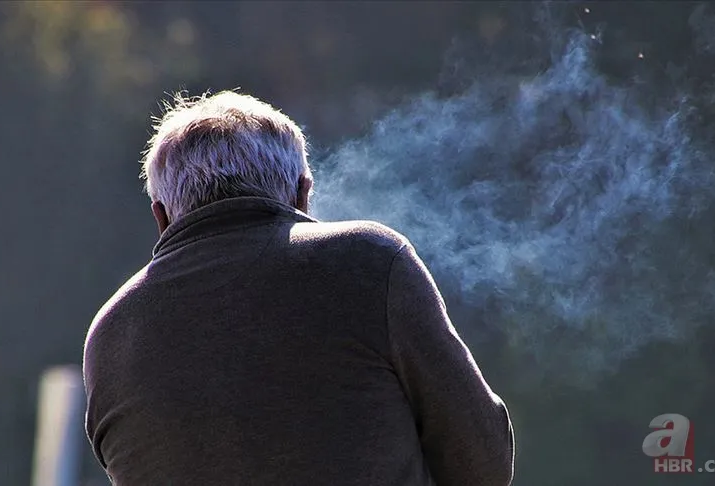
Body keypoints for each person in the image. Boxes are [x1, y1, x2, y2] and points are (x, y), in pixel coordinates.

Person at [83, 90, 515, 485]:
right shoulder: (370, 261)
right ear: (302, 194)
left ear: (160, 217)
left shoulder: (110, 334)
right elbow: (483, 463)